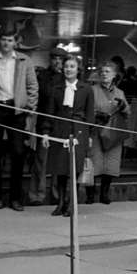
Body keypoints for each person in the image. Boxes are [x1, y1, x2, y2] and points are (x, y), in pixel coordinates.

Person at [0, 30, 38, 211]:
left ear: (15, 43)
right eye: (3, 39)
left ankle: (15, 198)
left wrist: (29, 107)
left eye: (9, 40)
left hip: (17, 109)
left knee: (18, 152)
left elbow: (33, 86)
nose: (6, 43)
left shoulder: (25, 61)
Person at [46, 56, 93, 216]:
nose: (68, 69)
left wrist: (90, 135)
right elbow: (50, 113)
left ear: (77, 69)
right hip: (60, 130)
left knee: (75, 168)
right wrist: (46, 133)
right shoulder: (56, 89)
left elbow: (90, 114)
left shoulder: (86, 89)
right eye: (66, 66)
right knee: (60, 168)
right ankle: (61, 202)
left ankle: (72, 203)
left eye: (72, 66)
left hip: (79, 130)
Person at [88, 61, 130, 206]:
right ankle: (90, 195)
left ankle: (104, 194)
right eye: (102, 72)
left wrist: (123, 107)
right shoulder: (92, 90)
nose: (104, 74)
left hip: (113, 133)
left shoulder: (120, 93)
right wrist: (97, 114)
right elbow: (87, 109)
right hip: (96, 130)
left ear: (114, 75)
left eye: (108, 72)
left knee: (111, 164)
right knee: (94, 162)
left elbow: (127, 113)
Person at [28, 51, 65, 206]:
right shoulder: (42, 76)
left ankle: (57, 194)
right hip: (44, 122)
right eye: (55, 58)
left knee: (59, 161)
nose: (57, 62)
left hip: (61, 123)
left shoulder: (67, 78)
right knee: (41, 160)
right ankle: (37, 194)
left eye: (60, 59)